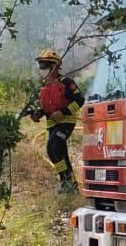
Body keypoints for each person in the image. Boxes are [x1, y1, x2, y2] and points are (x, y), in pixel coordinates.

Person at [26, 49, 83, 193]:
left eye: (44, 66)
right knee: (58, 152)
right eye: (40, 66)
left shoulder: (66, 82)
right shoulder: (44, 86)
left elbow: (80, 100)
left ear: (54, 66)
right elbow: (46, 108)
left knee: (53, 147)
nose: (41, 70)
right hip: (52, 125)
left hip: (66, 122)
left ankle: (66, 181)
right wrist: (37, 114)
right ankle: (70, 183)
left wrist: (63, 112)